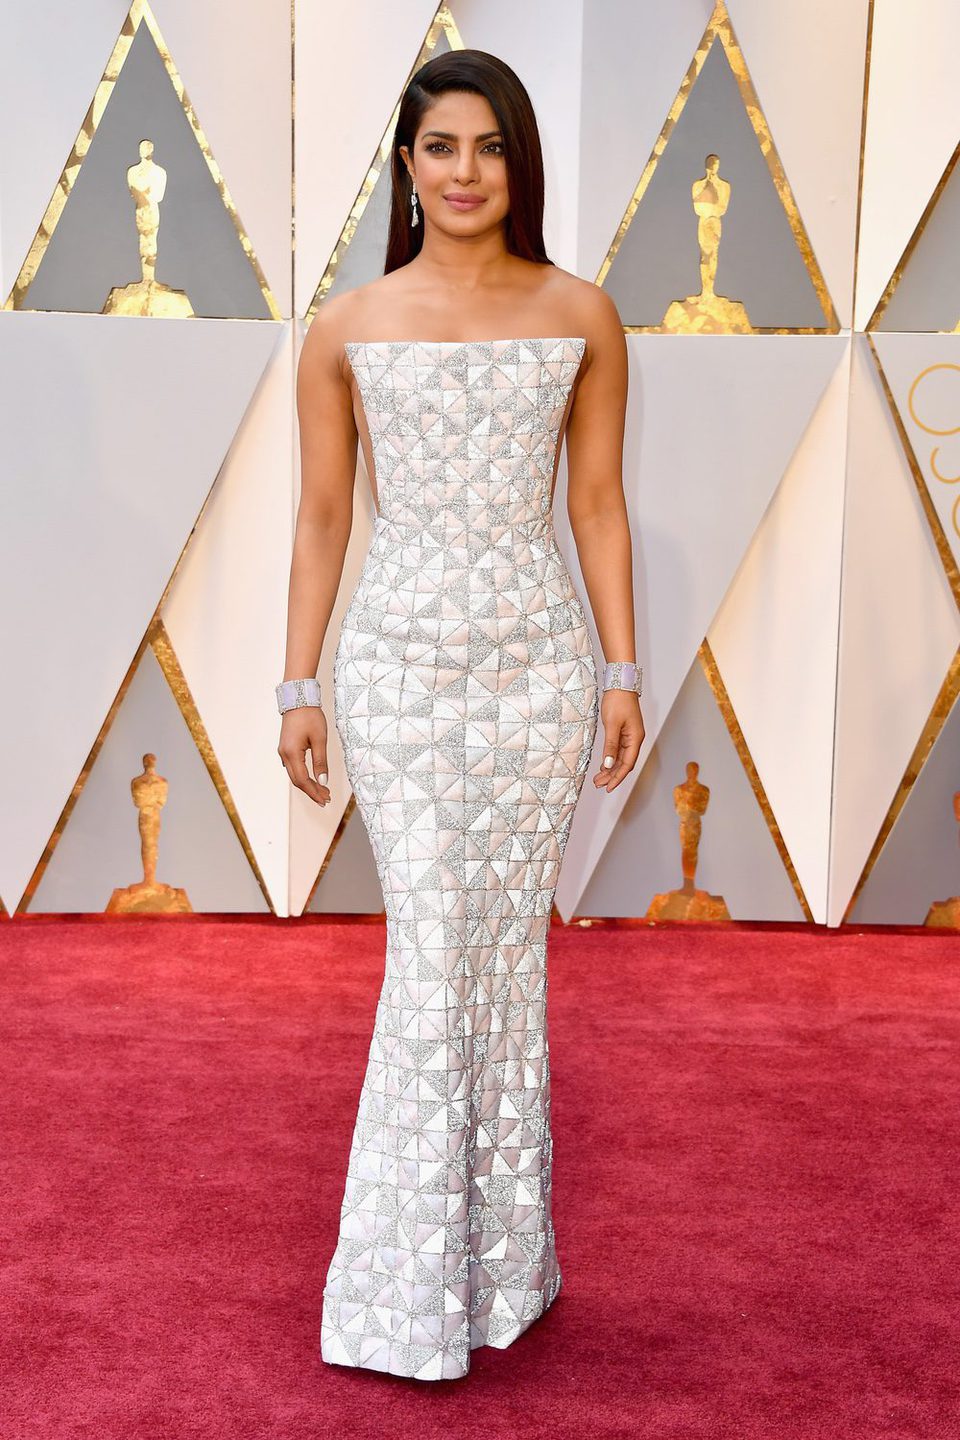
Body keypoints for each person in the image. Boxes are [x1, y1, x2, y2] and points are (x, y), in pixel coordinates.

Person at [277, 48, 644, 1382]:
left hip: (536, 674)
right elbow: (323, 515)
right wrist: (298, 679)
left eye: (490, 148)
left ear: (519, 164)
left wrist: (617, 670)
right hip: (396, 675)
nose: (468, 173)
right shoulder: (346, 325)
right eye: (442, 148)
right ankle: (405, 1288)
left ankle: (499, 1273)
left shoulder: (584, 313)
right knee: (433, 955)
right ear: (406, 168)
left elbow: (596, 507)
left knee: (501, 966)